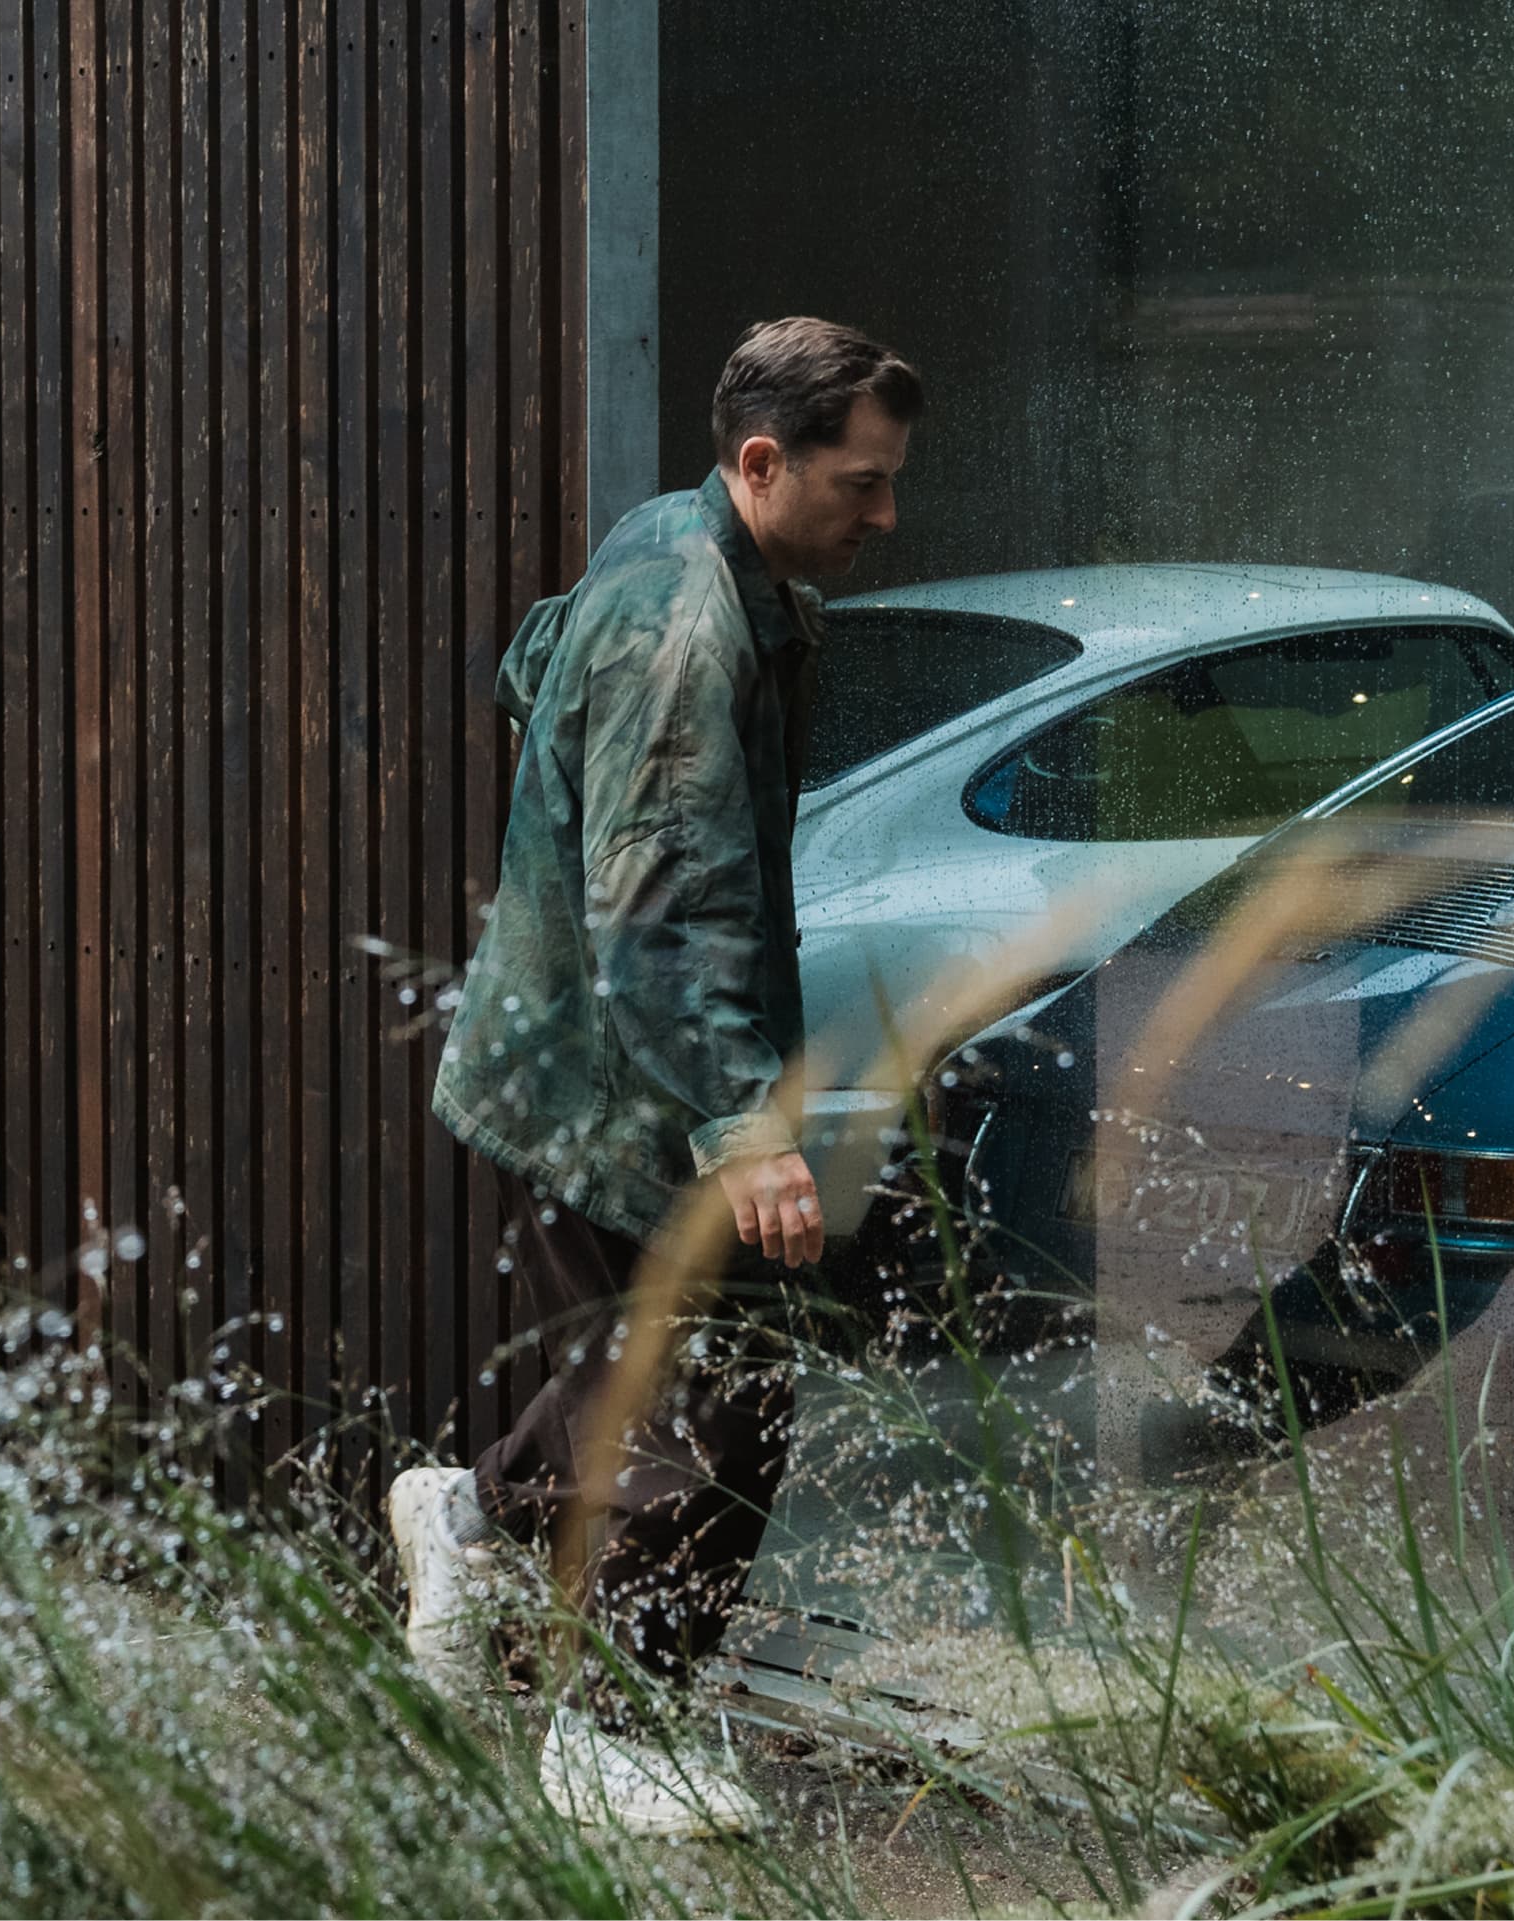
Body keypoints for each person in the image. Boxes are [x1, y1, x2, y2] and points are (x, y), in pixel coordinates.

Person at [391, 316, 920, 1836]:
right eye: (861, 484)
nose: (884, 517)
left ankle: (471, 1510)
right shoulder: (692, 622)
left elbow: (526, 662)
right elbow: (667, 909)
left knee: (636, 1369)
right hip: (620, 1084)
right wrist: (748, 1134)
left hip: (574, 1056)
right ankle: (615, 1723)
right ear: (763, 463)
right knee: (709, 1400)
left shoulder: (667, 540)